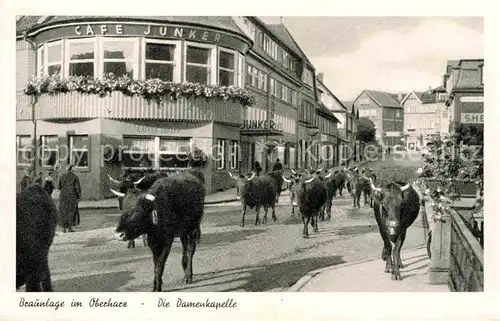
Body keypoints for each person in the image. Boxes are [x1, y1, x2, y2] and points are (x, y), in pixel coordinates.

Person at [58, 165, 81, 233]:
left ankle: (64, 228)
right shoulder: (75, 177)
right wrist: (79, 197)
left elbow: (59, 187)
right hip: (72, 196)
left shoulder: (62, 176)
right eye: (73, 169)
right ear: (71, 169)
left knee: (63, 212)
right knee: (71, 212)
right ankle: (70, 228)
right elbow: (77, 188)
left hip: (63, 196)